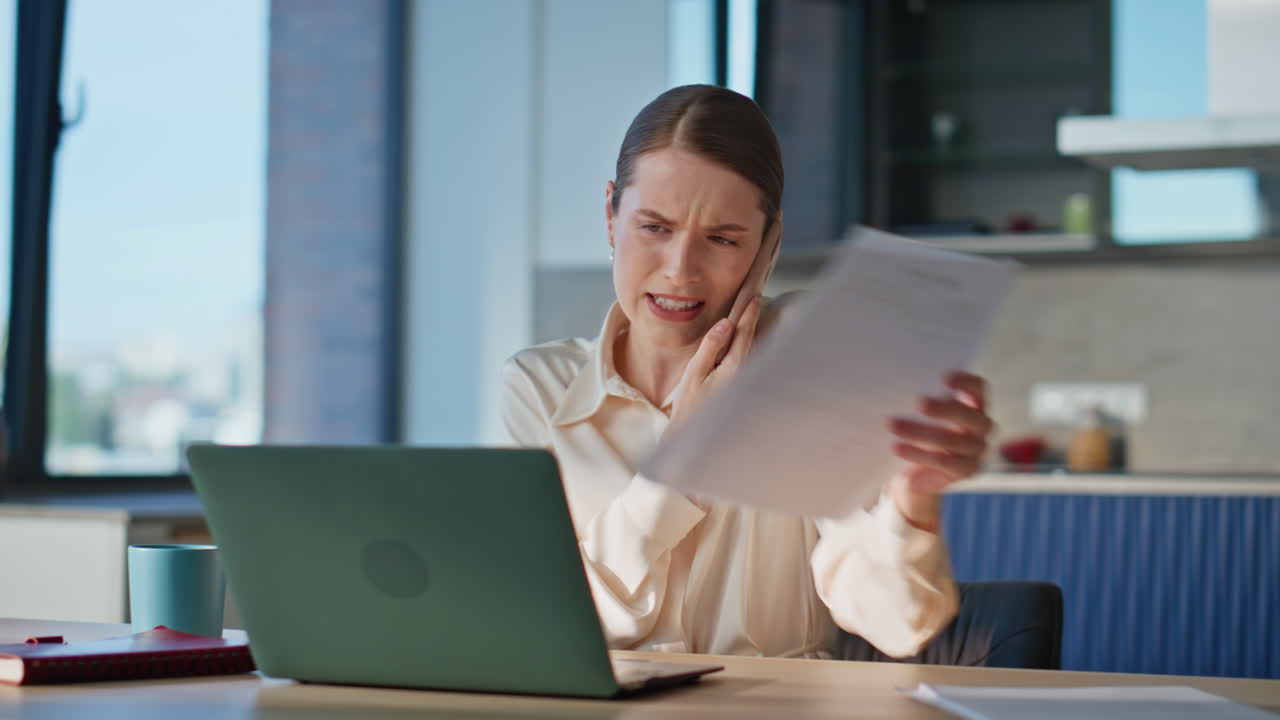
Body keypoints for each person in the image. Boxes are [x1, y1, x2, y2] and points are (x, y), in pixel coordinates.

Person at [500, 84, 994, 659]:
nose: (681, 271)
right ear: (611, 218)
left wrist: (912, 498)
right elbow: (551, 624)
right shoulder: (540, 387)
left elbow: (898, 624)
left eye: (722, 239)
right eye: (654, 228)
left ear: (768, 245)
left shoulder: (811, 363)